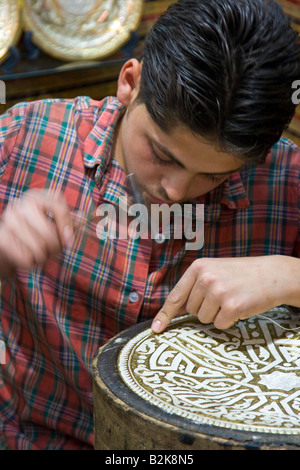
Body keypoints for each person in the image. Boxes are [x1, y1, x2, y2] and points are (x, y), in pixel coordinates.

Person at [1, 0, 300, 450]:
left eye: (215, 175)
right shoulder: (23, 141)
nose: (178, 191)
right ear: (129, 82)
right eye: (162, 155)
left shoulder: (287, 183)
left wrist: (291, 277)